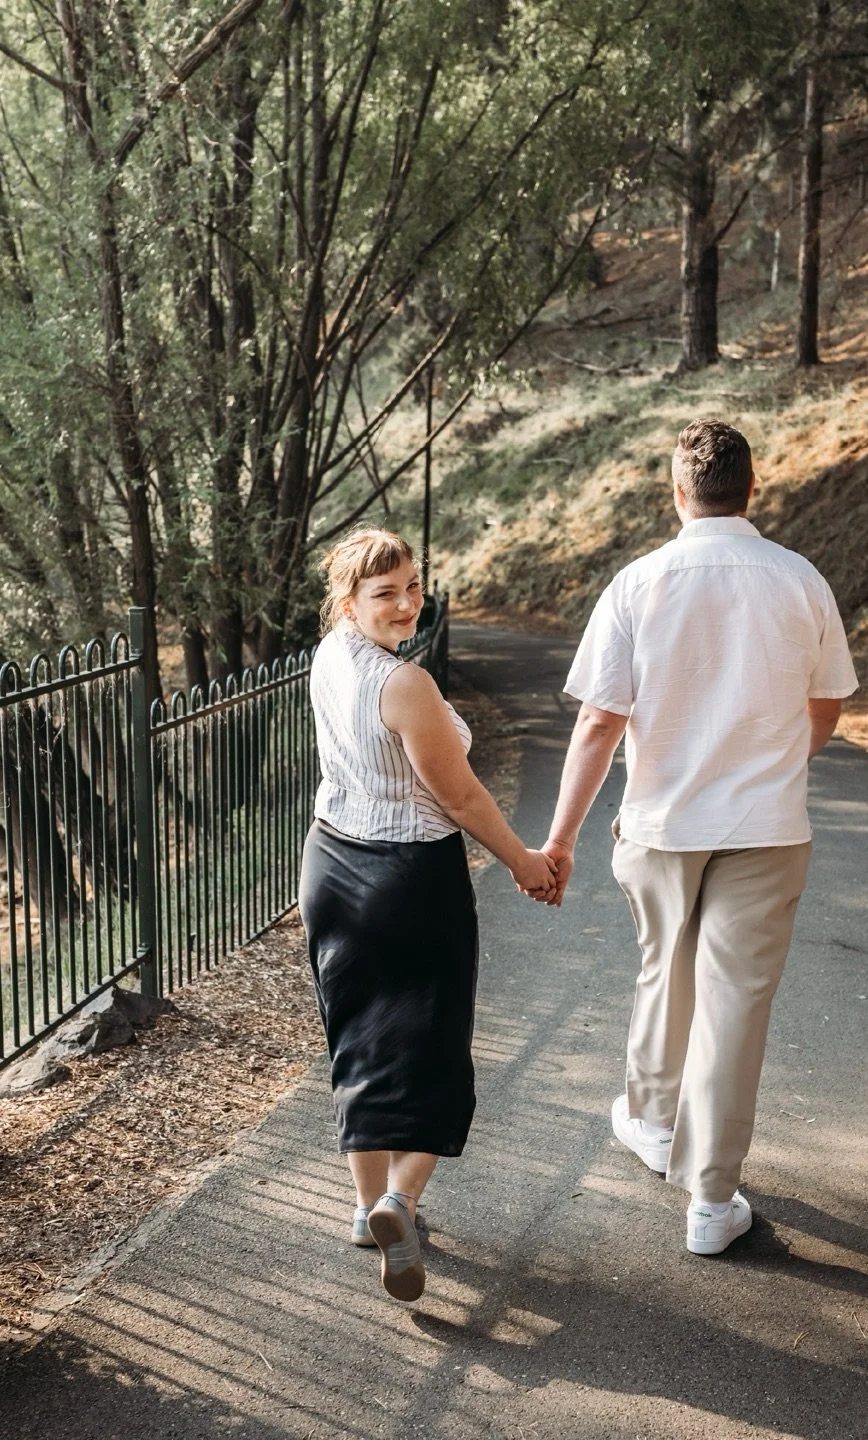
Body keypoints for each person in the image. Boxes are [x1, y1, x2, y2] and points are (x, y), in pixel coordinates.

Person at [542, 419, 857, 1255]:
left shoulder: (637, 583)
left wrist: (562, 837)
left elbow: (599, 724)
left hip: (662, 821)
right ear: (751, 490)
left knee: (662, 969)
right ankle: (712, 1205)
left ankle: (649, 1120)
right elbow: (827, 705)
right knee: (733, 1008)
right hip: (766, 824)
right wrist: (780, 756)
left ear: (677, 492)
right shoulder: (801, 580)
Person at [299, 528, 556, 1302]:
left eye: (413, 587)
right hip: (409, 877)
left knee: (360, 1040)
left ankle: (361, 1206)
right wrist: (525, 862)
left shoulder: (326, 657)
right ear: (348, 601)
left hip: (333, 866)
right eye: (386, 594)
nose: (408, 605)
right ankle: (398, 1203)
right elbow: (461, 796)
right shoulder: (404, 685)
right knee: (436, 1051)